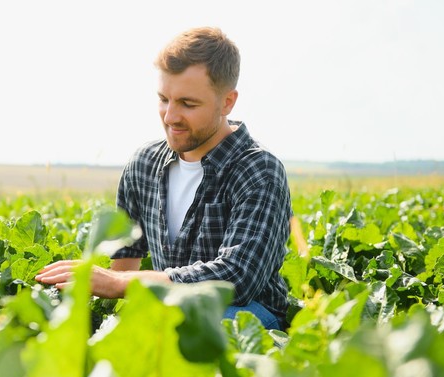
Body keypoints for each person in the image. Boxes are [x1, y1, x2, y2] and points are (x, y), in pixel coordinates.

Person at [36, 26, 292, 331]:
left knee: (178, 328)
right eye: (163, 99)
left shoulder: (259, 170)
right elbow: (124, 258)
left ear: (227, 102)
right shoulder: (143, 164)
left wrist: (119, 283)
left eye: (187, 103)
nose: (170, 116)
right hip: (165, 310)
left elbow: (236, 280)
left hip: (246, 314)